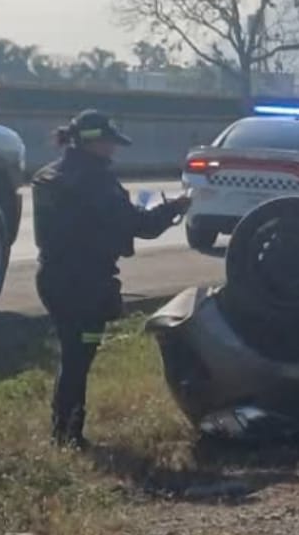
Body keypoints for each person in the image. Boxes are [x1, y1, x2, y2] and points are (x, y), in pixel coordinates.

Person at [31, 109, 190, 449]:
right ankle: (68, 433)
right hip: (87, 284)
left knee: (72, 352)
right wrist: (175, 208)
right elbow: (139, 225)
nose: (113, 150)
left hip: (53, 279)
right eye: (109, 143)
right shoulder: (96, 181)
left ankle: (64, 429)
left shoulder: (48, 176)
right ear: (96, 142)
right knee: (80, 354)